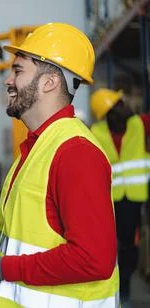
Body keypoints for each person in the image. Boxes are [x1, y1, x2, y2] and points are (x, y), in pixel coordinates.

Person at [0, 23, 120, 307]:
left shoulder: (75, 153)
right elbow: (25, 234)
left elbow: (94, 260)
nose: (7, 80)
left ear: (50, 82)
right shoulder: (36, 148)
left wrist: (0, 268)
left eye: (18, 70)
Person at [90, 88, 150, 303]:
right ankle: (109, 290)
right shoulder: (96, 132)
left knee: (128, 246)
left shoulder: (139, 124)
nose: (124, 107)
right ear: (109, 112)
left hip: (132, 198)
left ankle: (123, 287)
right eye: (118, 104)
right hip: (108, 199)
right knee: (105, 245)